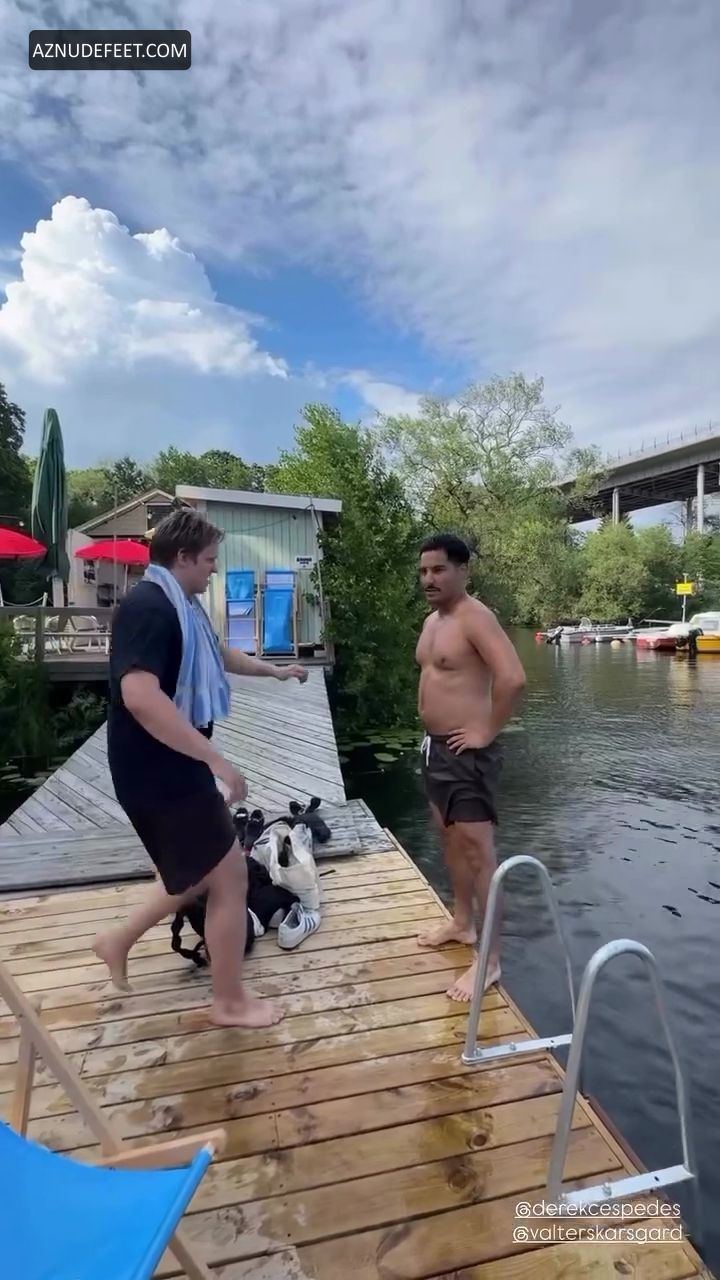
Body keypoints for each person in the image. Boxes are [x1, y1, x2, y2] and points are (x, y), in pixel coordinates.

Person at [93, 507, 308, 1028]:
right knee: (229, 876)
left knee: (202, 869)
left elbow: (218, 653)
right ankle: (229, 1002)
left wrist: (276, 672)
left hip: (167, 765)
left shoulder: (179, 605)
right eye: (210, 560)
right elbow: (140, 696)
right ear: (184, 557)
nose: (214, 569)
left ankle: (117, 940)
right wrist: (217, 761)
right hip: (157, 770)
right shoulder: (149, 608)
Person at [415, 532, 526, 1002]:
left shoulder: (475, 617)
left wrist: (486, 730)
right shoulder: (432, 621)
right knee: (448, 837)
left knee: (479, 852)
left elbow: (513, 678)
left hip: (467, 755)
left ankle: (491, 959)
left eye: (439, 570)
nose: (429, 579)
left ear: (463, 570)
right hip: (436, 749)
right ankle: (462, 924)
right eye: (424, 571)